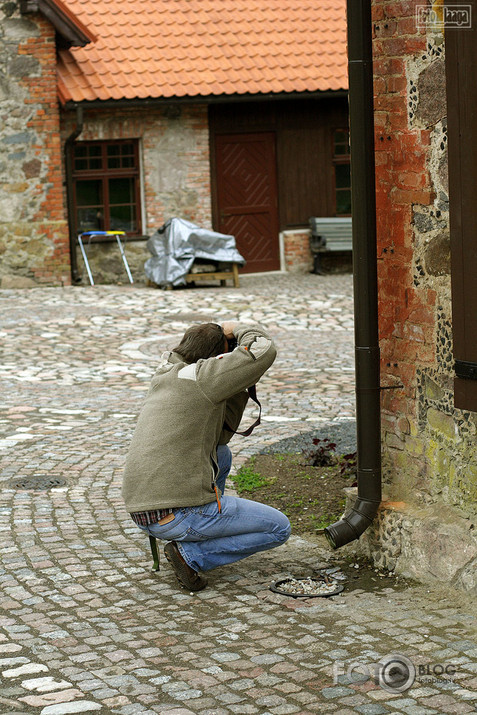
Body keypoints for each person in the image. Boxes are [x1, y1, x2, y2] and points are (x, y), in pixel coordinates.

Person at [122, 321, 291, 591]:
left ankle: (199, 532)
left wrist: (236, 382)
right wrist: (240, 329)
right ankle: (191, 555)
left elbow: (220, 438)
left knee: (221, 455)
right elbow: (263, 349)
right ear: (216, 357)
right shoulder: (203, 378)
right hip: (175, 515)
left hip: (143, 510)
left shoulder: (169, 372)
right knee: (279, 528)